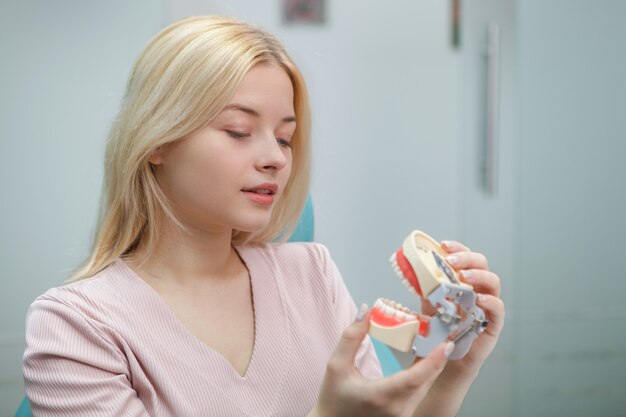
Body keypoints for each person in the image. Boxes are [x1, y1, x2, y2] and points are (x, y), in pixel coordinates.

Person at [23, 15, 505, 417]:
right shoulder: (76, 325)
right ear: (157, 142)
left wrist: (452, 374)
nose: (275, 158)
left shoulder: (312, 274)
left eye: (285, 137)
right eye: (238, 131)